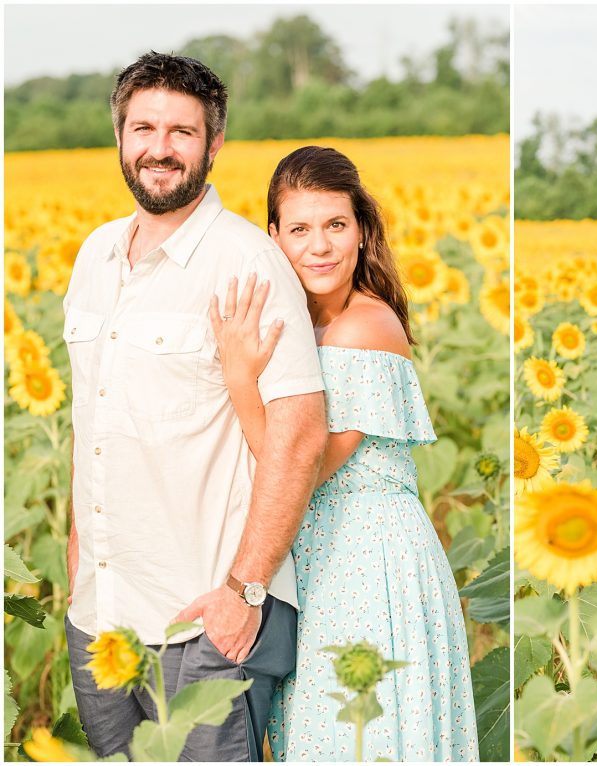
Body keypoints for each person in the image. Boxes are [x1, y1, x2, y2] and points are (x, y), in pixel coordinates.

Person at [62, 52, 328, 761]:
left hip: (205, 620)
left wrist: (244, 589)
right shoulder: (93, 258)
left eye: (182, 131)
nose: (159, 148)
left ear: (214, 146)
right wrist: (76, 561)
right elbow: (92, 418)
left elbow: (300, 440)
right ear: (119, 136)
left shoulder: (247, 262)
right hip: (101, 615)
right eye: (143, 127)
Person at [208, 145, 478, 761]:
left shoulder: (365, 327)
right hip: (318, 561)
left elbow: (302, 467)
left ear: (363, 231)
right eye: (299, 229)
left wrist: (240, 379)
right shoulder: (300, 323)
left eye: (336, 225)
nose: (320, 246)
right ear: (272, 237)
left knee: (359, 735)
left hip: (368, 562)